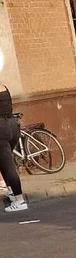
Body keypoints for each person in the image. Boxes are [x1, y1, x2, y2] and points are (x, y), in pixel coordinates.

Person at [0, 82, 27, 212]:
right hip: (12, 125)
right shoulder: (3, 86)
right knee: (4, 162)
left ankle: (20, 200)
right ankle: (11, 191)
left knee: (8, 166)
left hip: (1, 130)